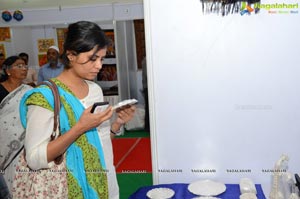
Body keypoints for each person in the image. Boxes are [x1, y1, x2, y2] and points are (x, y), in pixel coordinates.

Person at [15, 21, 136, 199]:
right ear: (71, 55)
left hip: (105, 180)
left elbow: (98, 142)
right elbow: (34, 159)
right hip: (68, 187)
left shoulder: (95, 90)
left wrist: (117, 124)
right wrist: (80, 128)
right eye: (92, 58)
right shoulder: (45, 97)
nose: (99, 66)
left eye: (102, 59)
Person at [0, 56, 32, 197]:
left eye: (25, 66)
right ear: (7, 71)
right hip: (3, 139)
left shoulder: (29, 91)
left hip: (23, 141)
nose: (23, 68)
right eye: (18, 66)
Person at [142, 56, 150, 132]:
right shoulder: (146, 60)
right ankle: (148, 128)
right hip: (148, 88)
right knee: (148, 108)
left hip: (149, 87)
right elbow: (148, 76)